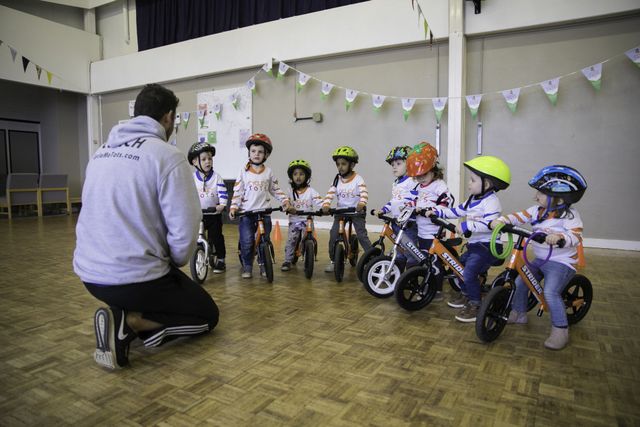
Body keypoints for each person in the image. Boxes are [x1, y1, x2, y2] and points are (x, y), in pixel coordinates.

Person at [74, 83, 219, 370]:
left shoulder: (100, 152)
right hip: (135, 277)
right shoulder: (168, 156)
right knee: (207, 316)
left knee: (148, 291)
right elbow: (185, 230)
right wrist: (175, 263)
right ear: (168, 117)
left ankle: (124, 310)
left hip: (90, 277)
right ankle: (131, 324)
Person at [491, 165, 587, 350]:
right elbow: (519, 216)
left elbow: (576, 236)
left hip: (561, 263)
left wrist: (560, 238)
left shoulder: (570, 216)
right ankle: (519, 313)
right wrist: (502, 220)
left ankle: (560, 329)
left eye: (540, 193)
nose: (536, 197)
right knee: (520, 282)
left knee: (551, 292)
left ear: (558, 197)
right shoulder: (537, 211)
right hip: (541, 260)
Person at [425, 155, 510, 322]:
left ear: (486, 184)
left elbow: (488, 224)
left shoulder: (492, 202)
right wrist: (436, 211)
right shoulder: (473, 199)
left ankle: (476, 303)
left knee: (468, 272)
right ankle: (467, 294)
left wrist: (466, 226)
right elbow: (456, 211)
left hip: (489, 247)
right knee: (458, 267)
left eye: (472, 180)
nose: (469, 183)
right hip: (475, 245)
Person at [229, 133, 291, 279]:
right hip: (246, 213)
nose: (257, 154)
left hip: (264, 212)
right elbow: (238, 191)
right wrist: (233, 207)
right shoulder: (243, 172)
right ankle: (248, 266)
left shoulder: (268, 172)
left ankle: (264, 264)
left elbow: (275, 189)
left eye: (260, 152)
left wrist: (285, 201)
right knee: (247, 241)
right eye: (253, 151)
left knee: (265, 239)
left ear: (266, 155)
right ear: (249, 153)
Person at [406, 142, 453, 300]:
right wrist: (409, 206)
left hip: (434, 232)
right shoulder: (420, 187)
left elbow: (448, 200)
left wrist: (435, 210)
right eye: (418, 177)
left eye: (424, 175)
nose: (421, 179)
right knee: (426, 260)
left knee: (433, 263)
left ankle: (436, 290)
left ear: (434, 169)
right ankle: (429, 283)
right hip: (422, 232)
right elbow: (417, 202)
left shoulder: (439, 185)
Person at [322, 146, 372, 272]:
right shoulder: (337, 179)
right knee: (333, 234)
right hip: (341, 212)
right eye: (338, 164)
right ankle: (333, 260)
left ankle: (372, 259)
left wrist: (362, 202)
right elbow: (330, 193)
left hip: (356, 212)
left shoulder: (358, 178)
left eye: (343, 164)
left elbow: (364, 192)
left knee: (361, 235)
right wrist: (326, 204)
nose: (340, 167)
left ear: (352, 164)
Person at [372, 145, 418, 272]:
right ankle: (397, 274)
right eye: (392, 164)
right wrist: (383, 209)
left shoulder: (413, 181)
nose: (394, 166)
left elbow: (418, 199)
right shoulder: (396, 183)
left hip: (409, 224)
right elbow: (394, 201)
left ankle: (411, 275)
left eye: (398, 163)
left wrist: (409, 206)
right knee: (399, 251)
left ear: (409, 164)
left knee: (410, 252)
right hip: (397, 223)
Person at [188, 142, 228, 273]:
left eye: (210, 158)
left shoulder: (216, 178)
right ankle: (199, 252)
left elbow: (222, 193)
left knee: (216, 237)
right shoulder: (192, 179)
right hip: (198, 215)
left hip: (214, 215)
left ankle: (221, 259)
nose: (208, 162)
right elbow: (187, 194)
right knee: (196, 237)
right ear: (194, 162)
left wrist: (222, 205)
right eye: (204, 159)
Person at [281, 159, 323, 271]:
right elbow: (285, 200)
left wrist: (324, 208)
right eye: (295, 174)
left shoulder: (311, 191)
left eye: (301, 174)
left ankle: (308, 254)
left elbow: (319, 201)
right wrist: (288, 206)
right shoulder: (289, 191)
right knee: (291, 240)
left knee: (309, 238)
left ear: (307, 176)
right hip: (294, 220)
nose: (298, 176)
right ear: (291, 176)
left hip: (307, 220)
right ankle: (287, 260)